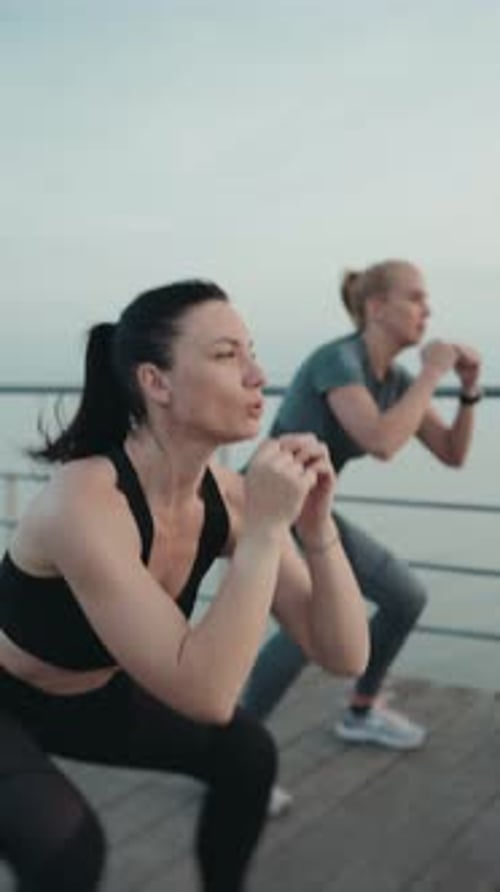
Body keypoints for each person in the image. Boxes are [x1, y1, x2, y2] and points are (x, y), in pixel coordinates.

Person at [0, 278, 369, 892]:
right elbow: (206, 695)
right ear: (156, 382)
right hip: (6, 697)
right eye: (228, 355)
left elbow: (344, 653)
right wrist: (263, 534)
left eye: (251, 352)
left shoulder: (228, 499)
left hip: (91, 697)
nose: (257, 374)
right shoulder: (85, 500)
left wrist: (316, 522)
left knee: (247, 754)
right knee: (67, 851)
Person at [242, 259, 482, 774]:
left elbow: (451, 452)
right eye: (415, 297)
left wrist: (467, 391)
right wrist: (434, 371)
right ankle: (229, 751)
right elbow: (381, 440)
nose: (428, 309)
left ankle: (361, 709)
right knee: (310, 627)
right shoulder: (339, 361)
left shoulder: (394, 380)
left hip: (307, 510)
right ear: (376, 307)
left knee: (405, 597)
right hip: (263, 502)